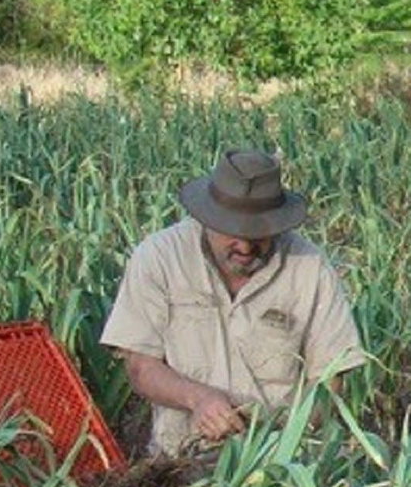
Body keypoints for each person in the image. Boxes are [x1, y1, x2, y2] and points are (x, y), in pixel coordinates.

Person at [102, 149, 365, 456]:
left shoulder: (309, 267)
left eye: (259, 234)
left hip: (279, 465)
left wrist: (281, 436)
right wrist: (197, 399)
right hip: (179, 460)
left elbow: (329, 382)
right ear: (207, 218)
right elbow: (141, 367)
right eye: (232, 232)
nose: (245, 246)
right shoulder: (159, 258)